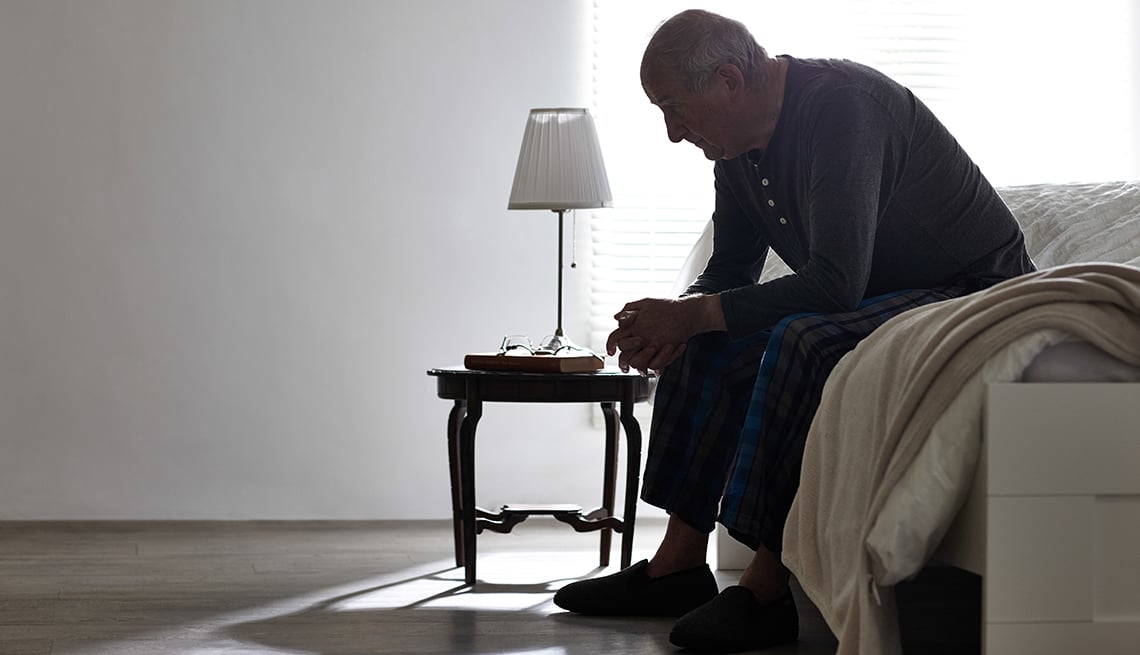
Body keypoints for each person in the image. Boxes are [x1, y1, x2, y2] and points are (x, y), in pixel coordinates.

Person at [552, 8, 1035, 653]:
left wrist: (693, 313)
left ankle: (768, 587)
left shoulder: (845, 109)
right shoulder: (735, 149)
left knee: (803, 341)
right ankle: (678, 564)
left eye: (674, 108)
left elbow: (835, 283)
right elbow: (729, 269)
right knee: (708, 342)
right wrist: (679, 323)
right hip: (879, 293)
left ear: (729, 80)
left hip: (973, 291)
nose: (672, 133)